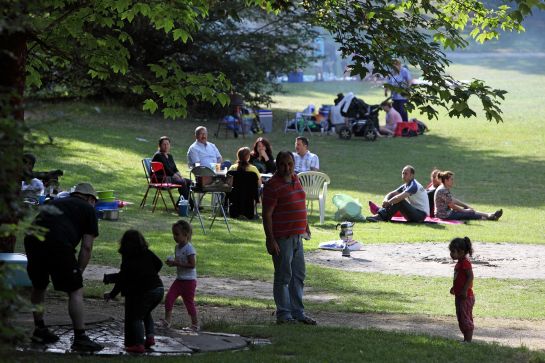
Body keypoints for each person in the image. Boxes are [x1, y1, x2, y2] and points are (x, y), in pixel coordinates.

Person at [23, 182, 103, 351]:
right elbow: (86, 247)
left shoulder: (54, 202)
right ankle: (80, 337)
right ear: (90, 198)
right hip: (58, 244)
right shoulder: (88, 209)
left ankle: (39, 329)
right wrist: (79, 272)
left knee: (39, 286)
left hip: (32, 240)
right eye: (94, 201)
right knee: (75, 290)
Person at [262, 151, 316, 325]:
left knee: (298, 275)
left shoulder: (296, 179)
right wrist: (270, 239)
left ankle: (298, 312)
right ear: (277, 165)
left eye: (290, 164)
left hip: (297, 237)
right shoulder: (272, 185)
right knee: (283, 276)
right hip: (282, 238)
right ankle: (284, 314)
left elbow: (300, 203)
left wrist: (305, 225)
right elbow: (267, 214)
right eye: (284, 164)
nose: (287, 168)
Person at [103, 230, 164, 353]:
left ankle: (138, 344)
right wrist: (149, 273)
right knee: (145, 313)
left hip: (145, 292)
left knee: (136, 317)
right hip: (159, 289)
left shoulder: (128, 260)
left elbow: (122, 279)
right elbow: (159, 263)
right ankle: (150, 337)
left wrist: (112, 294)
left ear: (124, 244)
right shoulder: (147, 252)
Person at [162, 220, 199, 331]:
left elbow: (192, 265)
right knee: (169, 298)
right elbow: (179, 262)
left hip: (189, 281)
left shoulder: (189, 248)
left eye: (177, 234)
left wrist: (177, 263)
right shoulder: (177, 247)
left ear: (186, 234)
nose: (175, 237)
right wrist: (172, 263)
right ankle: (167, 321)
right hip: (179, 280)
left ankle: (195, 324)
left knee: (189, 303)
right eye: (173, 234)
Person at [434, 171, 503, 221]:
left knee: (468, 211)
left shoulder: (443, 188)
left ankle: (489, 214)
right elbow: (452, 205)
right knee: (468, 213)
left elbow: (452, 200)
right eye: (451, 179)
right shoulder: (443, 190)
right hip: (444, 215)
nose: (453, 181)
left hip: (446, 213)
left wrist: (465, 206)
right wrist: (465, 211)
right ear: (446, 180)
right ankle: (490, 217)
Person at [449, 236, 475, 343]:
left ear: (461, 252)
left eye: (453, 251)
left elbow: (470, 277)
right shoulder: (459, 263)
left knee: (465, 318)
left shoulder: (465, 263)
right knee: (461, 317)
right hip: (459, 296)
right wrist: (454, 287)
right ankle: (466, 339)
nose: (451, 254)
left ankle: (468, 341)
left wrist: (464, 290)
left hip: (465, 296)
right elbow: (459, 278)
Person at [151, 136, 190, 201]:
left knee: (189, 182)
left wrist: (180, 176)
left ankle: (182, 203)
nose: (166, 146)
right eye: (164, 144)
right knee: (183, 182)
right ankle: (188, 204)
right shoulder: (158, 155)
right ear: (160, 145)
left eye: (168, 144)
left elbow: (175, 169)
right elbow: (167, 170)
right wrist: (176, 177)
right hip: (160, 179)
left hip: (169, 178)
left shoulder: (169, 156)